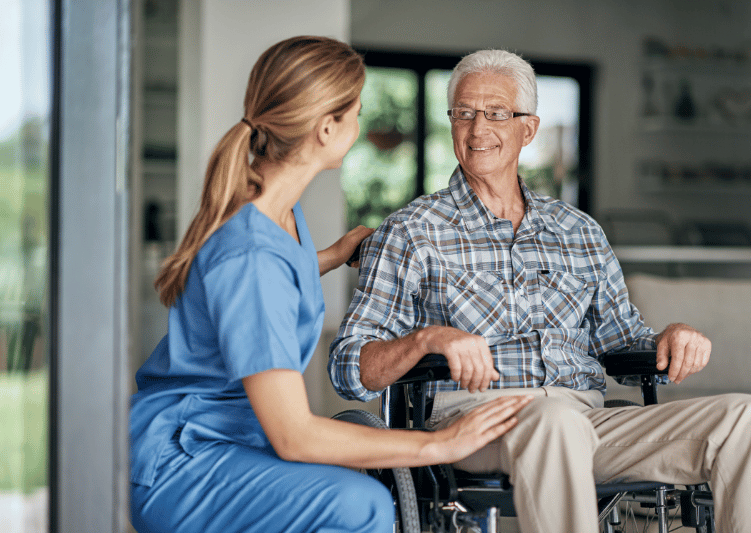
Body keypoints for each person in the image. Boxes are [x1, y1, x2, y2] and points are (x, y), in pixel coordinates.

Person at [329, 48, 751, 532]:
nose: (476, 129)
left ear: (527, 129)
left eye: (496, 114)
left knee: (747, 418)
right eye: (464, 113)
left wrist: (669, 337)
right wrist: (427, 339)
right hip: (475, 421)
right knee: (554, 421)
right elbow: (348, 367)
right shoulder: (411, 231)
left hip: (585, 418)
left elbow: (624, 338)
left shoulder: (578, 231)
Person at [128, 37, 533, 533]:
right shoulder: (252, 253)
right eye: (356, 114)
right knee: (359, 503)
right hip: (183, 462)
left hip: (226, 440)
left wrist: (333, 256)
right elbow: (295, 436)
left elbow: (271, 280)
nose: (359, 128)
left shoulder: (276, 213)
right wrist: (438, 445)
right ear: (325, 129)